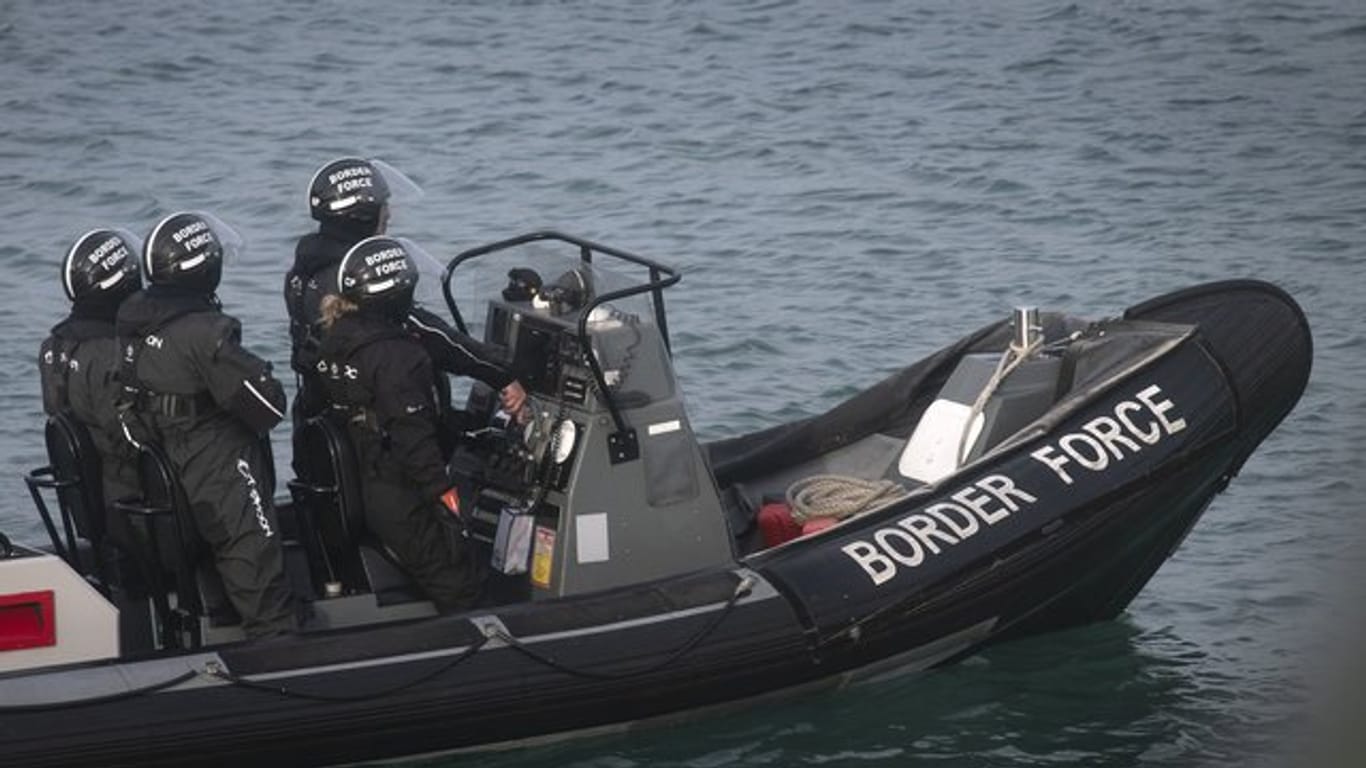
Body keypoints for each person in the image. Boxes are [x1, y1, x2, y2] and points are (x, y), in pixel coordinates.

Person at [284, 157, 527, 475]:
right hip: (374, 442)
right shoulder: (357, 279)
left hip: (322, 423)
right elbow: (424, 331)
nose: (389, 214)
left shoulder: (304, 271)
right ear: (363, 216)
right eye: (384, 206)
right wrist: (501, 372)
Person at [116, 211, 295, 638]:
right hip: (216, 457)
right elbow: (268, 406)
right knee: (251, 551)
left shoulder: (133, 322)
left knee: (221, 548)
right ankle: (278, 644)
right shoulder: (204, 333)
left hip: (167, 454)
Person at [316, 236, 483, 612]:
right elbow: (415, 442)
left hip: (360, 480)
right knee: (462, 586)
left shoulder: (334, 338)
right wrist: (449, 506)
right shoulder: (398, 356)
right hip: (397, 494)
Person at [39, 228, 143, 553]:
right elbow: (131, 441)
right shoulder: (108, 354)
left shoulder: (53, 347)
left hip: (89, 504)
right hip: (134, 506)